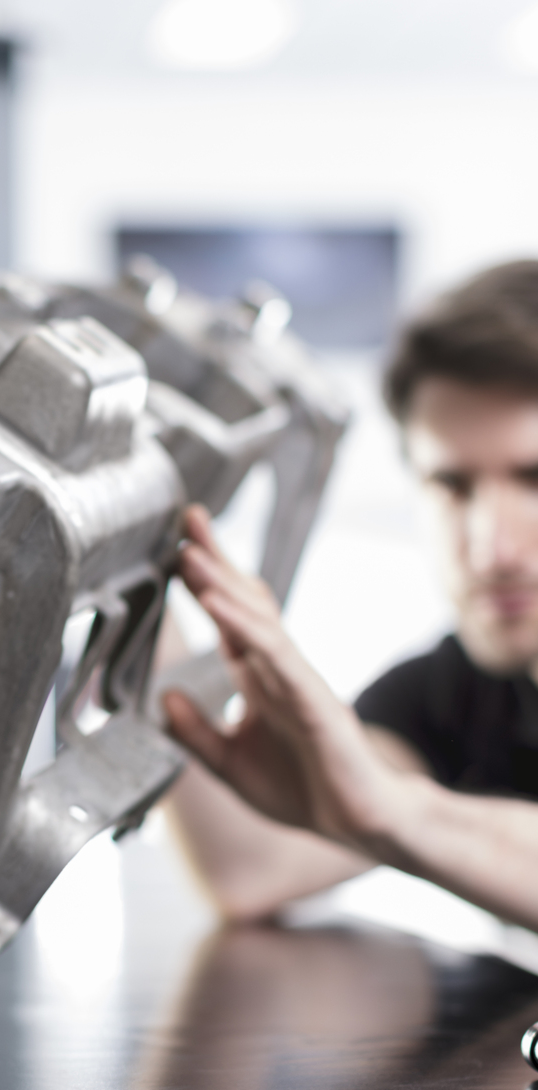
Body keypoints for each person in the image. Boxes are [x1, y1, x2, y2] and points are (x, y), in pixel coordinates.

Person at [163, 260, 538, 931]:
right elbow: (254, 867)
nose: (491, 548)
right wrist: (134, 567)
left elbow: (384, 804)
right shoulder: (452, 687)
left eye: (533, 479)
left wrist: (396, 810)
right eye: (452, 486)